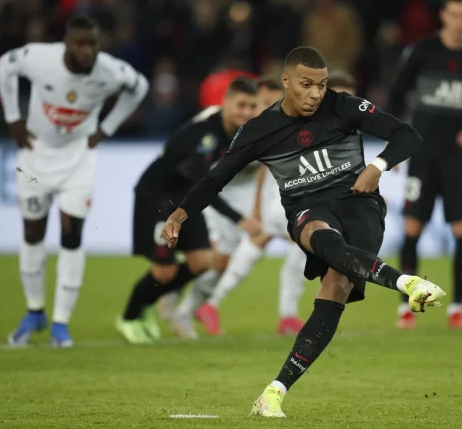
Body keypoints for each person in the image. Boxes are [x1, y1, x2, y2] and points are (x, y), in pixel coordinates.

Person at [160, 46, 446, 417]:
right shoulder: (260, 130)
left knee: (336, 288)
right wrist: (180, 215)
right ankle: (407, 283)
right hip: (307, 209)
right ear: (285, 82)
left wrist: (377, 165)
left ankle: (273, 393)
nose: (315, 93)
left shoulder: (343, 107)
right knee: (320, 235)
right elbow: (216, 177)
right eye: (306, 84)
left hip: (361, 204)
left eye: (321, 85)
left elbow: (407, 135)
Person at [0, 16, 149, 348]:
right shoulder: (39, 58)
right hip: (34, 156)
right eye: (80, 43)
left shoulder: (110, 71)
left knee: (71, 235)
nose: (87, 50)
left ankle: (60, 323)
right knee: (33, 232)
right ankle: (34, 311)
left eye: (92, 44)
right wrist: (12, 118)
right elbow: (3, 66)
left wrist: (107, 128)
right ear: (65, 43)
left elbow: (140, 88)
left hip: (78, 160)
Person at [182, 72, 360, 337]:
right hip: (237, 194)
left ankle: (210, 305)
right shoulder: (281, 118)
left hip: (265, 196)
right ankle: (275, 313)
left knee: (246, 251)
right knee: (298, 240)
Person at [387, 0, 462, 330]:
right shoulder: (423, 51)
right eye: (453, 15)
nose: (458, 22)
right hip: (422, 153)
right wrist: (395, 143)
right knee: (412, 227)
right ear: (443, 16)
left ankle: (456, 308)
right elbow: (396, 94)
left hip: (458, 156)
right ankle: (405, 309)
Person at [116, 76, 261, 344]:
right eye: (241, 105)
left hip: (182, 199)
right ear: (226, 103)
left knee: (203, 261)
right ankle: (130, 316)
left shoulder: (230, 131)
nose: (246, 112)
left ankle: (150, 301)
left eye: (252, 107)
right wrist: (238, 218)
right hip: (157, 197)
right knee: (165, 273)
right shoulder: (206, 135)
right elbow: (200, 183)